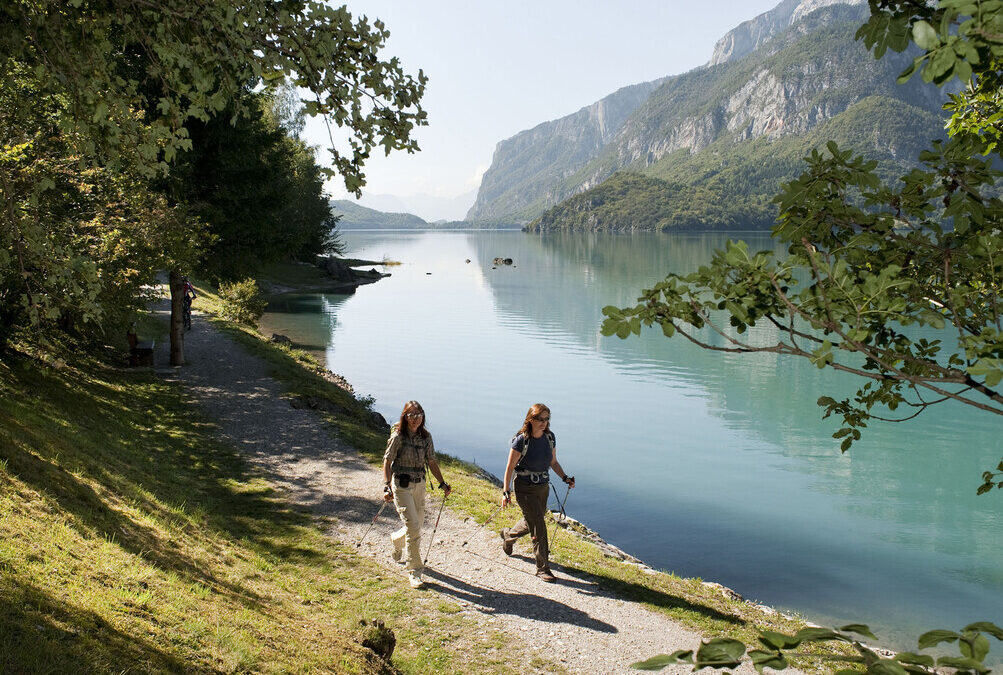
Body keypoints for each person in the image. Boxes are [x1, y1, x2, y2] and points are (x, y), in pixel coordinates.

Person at [500, 403, 575, 582]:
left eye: (547, 419)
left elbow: (553, 462)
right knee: (539, 525)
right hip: (524, 488)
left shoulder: (550, 438)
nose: (544, 422)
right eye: (540, 419)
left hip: (543, 487)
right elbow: (509, 468)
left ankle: (508, 536)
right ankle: (542, 568)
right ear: (531, 419)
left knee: (531, 520)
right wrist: (506, 492)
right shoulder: (521, 440)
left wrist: (565, 478)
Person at [381, 400, 451, 588]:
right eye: (411, 415)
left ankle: (396, 540)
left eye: (418, 415)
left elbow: (432, 461)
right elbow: (387, 462)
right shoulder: (398, 437)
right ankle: (415, 571)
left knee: (417, 525)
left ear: (423, 416)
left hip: (420, 485)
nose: (415, 419)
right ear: (405, 416)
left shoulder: (426, 437)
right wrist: (386, 486)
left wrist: (442, 483)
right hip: (401, 486)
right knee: (413, 527)